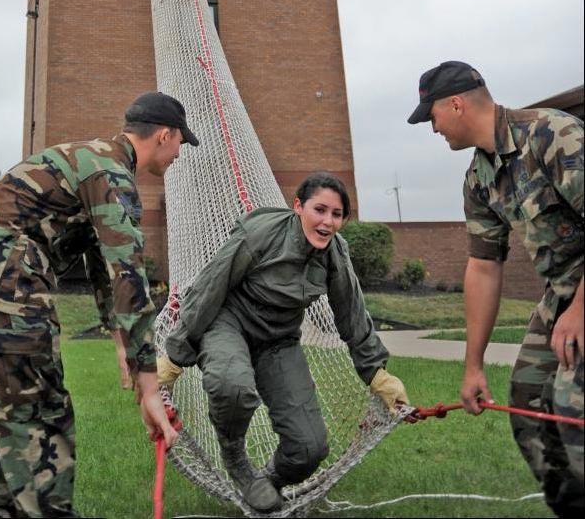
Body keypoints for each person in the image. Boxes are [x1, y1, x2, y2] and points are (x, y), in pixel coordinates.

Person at [0, 91, 198, 518]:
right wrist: (150, 383)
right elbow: (128, 274)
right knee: (39, 408)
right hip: (6, 278)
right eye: (182, 142)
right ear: (164, 135)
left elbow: (100, 264)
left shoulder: (92, 159)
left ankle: (7, 510)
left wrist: (122, 343)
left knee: (0, 406)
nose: (180, 154)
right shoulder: (112, 175)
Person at [156, 172, 410, 513]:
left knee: (310, 448)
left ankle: (265, 481)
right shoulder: (260, 233)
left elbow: (351, 313)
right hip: (228, 324)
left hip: (278, 340)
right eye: (319, 209)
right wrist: (175, 357)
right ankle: (234, 455)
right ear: (298, 207)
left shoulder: (335, 253)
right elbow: (209, 288)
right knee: (233, 387)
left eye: (337, 214)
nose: (327, 221)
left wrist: (377, 375)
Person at [409, 61, 583, 519]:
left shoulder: (553, 134)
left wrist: (581, 309)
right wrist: (472, 366)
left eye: (432, 116)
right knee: (527, 403)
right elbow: (483, 267)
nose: (433, 128)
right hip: (563, 291)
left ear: (457, 104)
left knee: (573, 406)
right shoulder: (478, 179)